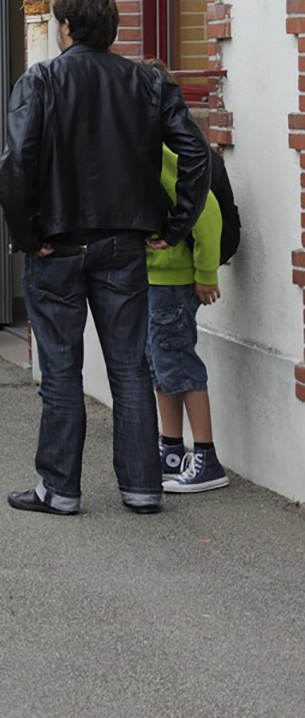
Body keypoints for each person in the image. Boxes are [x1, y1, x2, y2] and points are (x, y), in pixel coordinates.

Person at [0, 0, 208, 517]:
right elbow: (195, 153)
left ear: (66, 27)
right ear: (110, 26)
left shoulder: (41, 80)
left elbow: (17, 163)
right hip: (123, 242)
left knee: (63, 368)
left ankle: (60, 488)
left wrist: (28, 236)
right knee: (131, 366)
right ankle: (141, 487)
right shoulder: (147, 82)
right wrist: (177, 224)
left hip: (57, 244)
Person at [137, 73, 229, 493]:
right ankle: (171, 448)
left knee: (180, 363)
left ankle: (206, 458)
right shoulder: (143, 149)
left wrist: (205, 273)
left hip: (173, 282)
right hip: (154, 281)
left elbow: (205, 211)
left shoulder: (161, 152)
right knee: (162, 366)